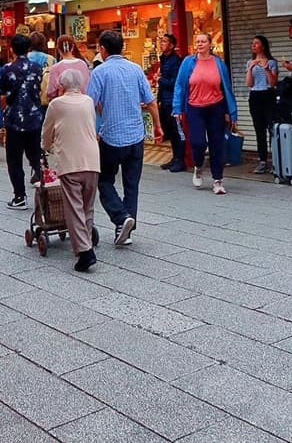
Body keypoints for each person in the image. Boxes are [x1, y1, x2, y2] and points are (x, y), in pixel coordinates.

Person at [87, 30, 163, 246]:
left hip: (111, 136)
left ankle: (121, 218)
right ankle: (126, 228)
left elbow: (89, 104)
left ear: (103, 49)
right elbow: (150, 102)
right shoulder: (136, 70)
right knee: (132, 184)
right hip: (136, 135)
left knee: (104, 181)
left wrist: (89, 132)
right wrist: (158, 126)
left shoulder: (100, 73)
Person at [42, 68, 100, 273]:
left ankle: (85, 252)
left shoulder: (56, 105)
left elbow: (47, 131)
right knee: (87, 206)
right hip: (92, 160)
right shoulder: (88, 102)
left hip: (70, 161)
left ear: (62, 85)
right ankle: (87, 243)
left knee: (74, 208)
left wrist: (46, 146)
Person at [172, 32, 238, 194]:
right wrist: (177, 108)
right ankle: (198, 166)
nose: (200, 44)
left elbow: (227, 88)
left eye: (203, 41)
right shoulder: (188, 62)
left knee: (217, 144)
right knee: (198, 142)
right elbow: (180, 86)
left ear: (210, 44)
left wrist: (232, 112)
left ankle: (218, 180)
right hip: (195, 107)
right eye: (197, 42)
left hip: (216, 107)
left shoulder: (219, 63)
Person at [0, 33, 43, 209]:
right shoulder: (37, 68)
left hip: (15, 119)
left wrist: (6, 108)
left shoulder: (8, 69)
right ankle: (45, 190)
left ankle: (20, 196)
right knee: (36, 156)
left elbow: (2, 93)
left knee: (14, 159)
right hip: (34, 118)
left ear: (12, 49)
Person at [245, 35, 279, 174]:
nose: (254, 46)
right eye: (253, 43)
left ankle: (276, 160)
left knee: (271, 128)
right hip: (255, 96)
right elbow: (249, 84)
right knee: (259, 130)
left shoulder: (271, 62)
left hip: (268, 94)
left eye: (257, 43)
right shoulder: (250, 62)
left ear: (263, 46)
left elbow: (273, 83)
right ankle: (263, 160)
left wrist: (266, 69)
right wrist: (250, 69)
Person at [157, 33, 185, 172]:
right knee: (171, 132)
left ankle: (181, 159)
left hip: (173, 101)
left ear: (172, 45)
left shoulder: (175, 61)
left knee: (176, 131)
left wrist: (160, 80)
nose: (161, 43)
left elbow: (176, 82)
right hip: (165, 100)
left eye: (165, 41)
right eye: (161, 41)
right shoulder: (163, 59)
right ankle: (175, 158)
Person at [46, 35, 90, 100]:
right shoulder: (83, 64)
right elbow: (88, 86)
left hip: (63, 104)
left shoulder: (56, 68)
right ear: (72, 47)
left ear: (58, 49)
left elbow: (51, 92)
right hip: (82, 102)